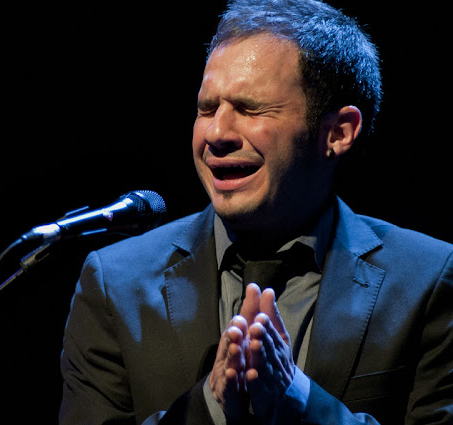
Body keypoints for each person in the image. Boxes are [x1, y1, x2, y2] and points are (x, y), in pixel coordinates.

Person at [59, 1, 453, 424]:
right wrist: (208, 404)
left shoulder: (427, 278)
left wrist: (296, 398)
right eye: (207, 108)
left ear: (337, 133)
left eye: (250, 109)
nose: (216, 134)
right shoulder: (115, 283)